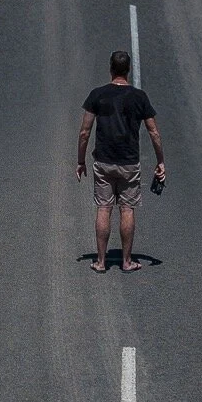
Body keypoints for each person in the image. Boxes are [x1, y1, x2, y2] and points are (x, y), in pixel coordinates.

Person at [76, 49, 165, 273]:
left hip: (103, 162)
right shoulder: (139, 97)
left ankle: (100, 262)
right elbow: (153, 132)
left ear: (110, 69)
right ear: (128, 70)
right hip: (129, 163)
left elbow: (84, 132)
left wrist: (81, 161)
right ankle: (126, 261)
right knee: (127, 209)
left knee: (104, 208)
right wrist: (160, 161)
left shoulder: (97, 95)